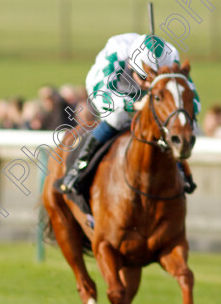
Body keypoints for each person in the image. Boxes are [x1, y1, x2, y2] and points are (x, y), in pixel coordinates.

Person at [59, 33, 200, 196]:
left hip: (158, 93)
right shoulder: (116, 53)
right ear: (131, 66)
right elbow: (101, 93)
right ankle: (79, 169)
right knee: (117, 118)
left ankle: (182, 170)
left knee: (167, 126)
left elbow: (192, 98)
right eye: (144, 78)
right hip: (110, 88)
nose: (148, 84)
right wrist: (133, 104)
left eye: (151, 80)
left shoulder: (171, 57)